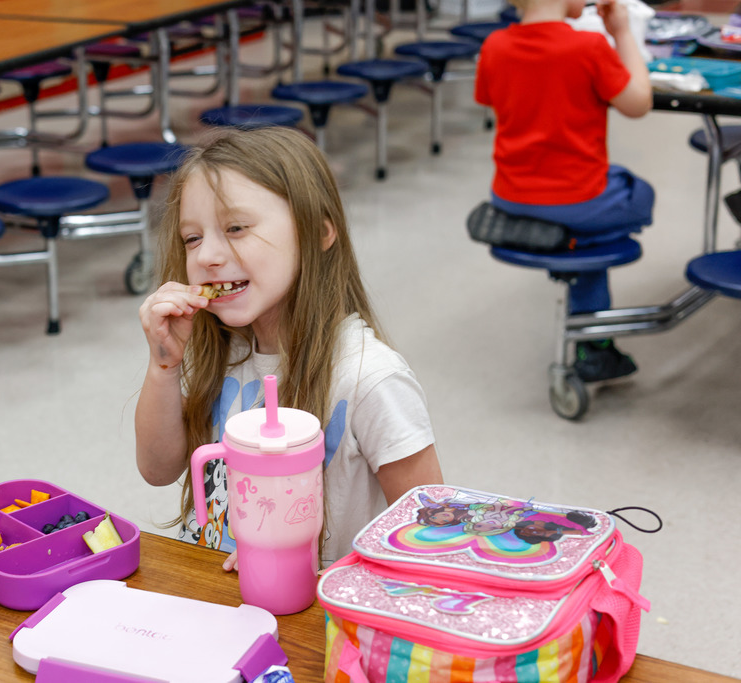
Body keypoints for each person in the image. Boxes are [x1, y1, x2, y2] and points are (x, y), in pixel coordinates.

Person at [135, 126, 443, 566]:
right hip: (222, 602)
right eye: (193, 238)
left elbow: (431, 537)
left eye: (236, 227)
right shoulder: (228, 351)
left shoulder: (370, 378)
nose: (205, 257)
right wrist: (162, 368)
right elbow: (158, 469)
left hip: (311, 622)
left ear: (318, 232)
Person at [474, 0, 654, 382]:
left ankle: (564, 243)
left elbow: (491, 98)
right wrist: (621, 31)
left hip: (510, 196)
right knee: (641, 195)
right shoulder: (589, 47)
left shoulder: (493, 46)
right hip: (576, 201)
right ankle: (594, 340)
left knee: (597, 201)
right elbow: (639, 103)